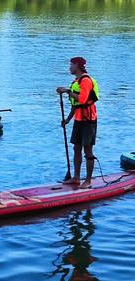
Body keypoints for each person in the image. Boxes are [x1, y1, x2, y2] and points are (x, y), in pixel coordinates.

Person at [56, 57, 99, 189]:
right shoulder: (76, 82)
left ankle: (88, 180)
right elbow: (75, 105)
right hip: (78, 120)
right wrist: (68, 119)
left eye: (71, 65)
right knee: (76, 148)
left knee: (87, 149)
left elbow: (82, 99)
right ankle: (75, 178)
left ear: (78, 66)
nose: (69, 68)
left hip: (88, 120)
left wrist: (67, 91)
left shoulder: (85, 81)